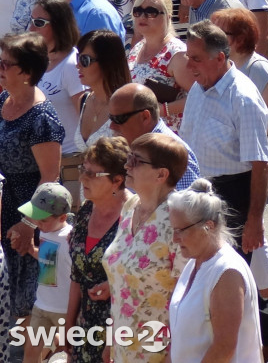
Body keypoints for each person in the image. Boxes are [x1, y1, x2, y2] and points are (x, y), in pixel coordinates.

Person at [178, 20, 268, 261]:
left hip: (230, 201)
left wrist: (254, 221)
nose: (188, 66)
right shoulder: (199, 87)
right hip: (196, 194)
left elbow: (261, 165)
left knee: (225, 275)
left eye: (196, 58)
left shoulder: (243, 99)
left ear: (219, 58)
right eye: (188, 57)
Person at [103, 133, 186, 362]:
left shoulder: (180, 221)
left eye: (136, 161)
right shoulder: (131, 206)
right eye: (128, 157)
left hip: (161, 350)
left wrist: (174, 354)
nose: (127, 165)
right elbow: (120, 284)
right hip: (125, 345)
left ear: (162, 174)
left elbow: (189, 294)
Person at [0, 33, 64, 320]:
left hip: (37, 216)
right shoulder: (4, 100)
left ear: (26, 71)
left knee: (39, 301)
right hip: (5, 207)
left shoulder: (42, 118)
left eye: (4, 64)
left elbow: (50, 177)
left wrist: (28, 224)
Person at [168, 179, 263, 363]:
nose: (174, 239)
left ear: (208, 226)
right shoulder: (194, 263)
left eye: (180, 230)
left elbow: (224, 348)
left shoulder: (227, 273)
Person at [210, 7, 268, 202]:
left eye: (218, 34)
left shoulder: (258, 68)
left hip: (256, 165)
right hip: (232, 164)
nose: (211, 39)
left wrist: (243, 133)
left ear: (240, 38)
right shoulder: (223, 65)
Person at [67, 136, 130, 363]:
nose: (83, 177)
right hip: (84, 327)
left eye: (92, 174)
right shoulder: (85, 211)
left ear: (117, 180)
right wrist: (68, 323)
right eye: (83, 169)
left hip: (120, 330)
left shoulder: (134, 217)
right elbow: (77, 274)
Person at [107, 83, 201, 191]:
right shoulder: (133, 143)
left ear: (145, 117)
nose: (112, 126)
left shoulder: (172, 155)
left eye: (119, 119)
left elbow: (187, 205)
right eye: (111, 118)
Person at [18, 183, 73, 363]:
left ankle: (55, 346)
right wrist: (30, 249)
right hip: (42, 305)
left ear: (62, 217)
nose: (38, 224)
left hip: (64, 309)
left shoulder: (70, 239)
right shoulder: (46, 233)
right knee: (31, 349)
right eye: (36, 219)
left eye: (43, 220)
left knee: (68, 349)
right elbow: (48, 259)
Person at [30, 0, 87, 159]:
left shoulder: (72, 65)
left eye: (39, 23)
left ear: (59, 26)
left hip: (69, 160)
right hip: (41, 158)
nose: (31, 28)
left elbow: (85, 120)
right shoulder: (38, 60)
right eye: (32, 20)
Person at [126, 0, 190, 128]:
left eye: (151, 11)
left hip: (167, 137)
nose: (142, 16)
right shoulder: (137, 48)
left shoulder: (177, 53)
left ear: (168, 16)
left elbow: (199, 96)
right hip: (141, 134)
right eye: (137, 11)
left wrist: (163, 110)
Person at [74, 29, 131, 152]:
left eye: (85, 60)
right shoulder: (83, 100)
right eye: (78, 57)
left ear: (107, 62)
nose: (77, 65)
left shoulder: (127, 105)